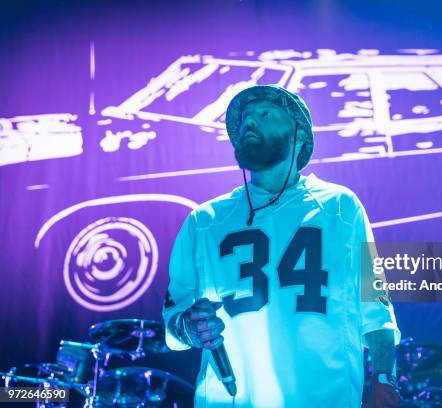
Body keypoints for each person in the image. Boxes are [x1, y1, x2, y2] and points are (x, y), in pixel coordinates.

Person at [162, 85, 401, 408]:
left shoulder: (341, 208)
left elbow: (375, 311)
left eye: (266, 114)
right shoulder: (204, 222)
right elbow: (174, 323)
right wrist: (191, 328)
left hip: (326, 399)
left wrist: (384, 380)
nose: (250, 122)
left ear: (300, 135)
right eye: (246, 117)